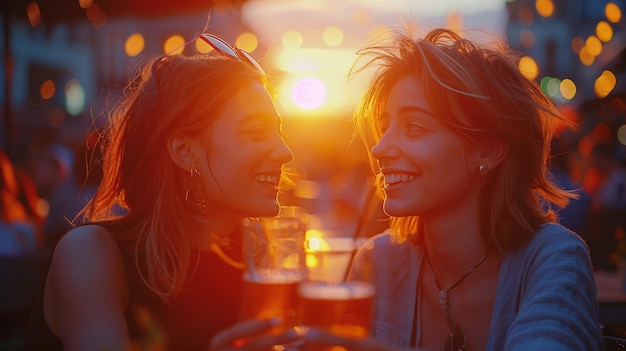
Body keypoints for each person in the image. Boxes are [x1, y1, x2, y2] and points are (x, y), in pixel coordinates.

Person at [304, 28, 603, 350]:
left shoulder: (553, 260)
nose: (379, 149)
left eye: (414, 127)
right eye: (384, 125)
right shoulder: (377, 261)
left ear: (488, 149)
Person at [23, 33, 301, 351]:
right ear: (184, 151)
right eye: (255, 132)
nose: (285, 152)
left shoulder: (256, 256)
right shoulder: (90, 254)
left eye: (279, 132)